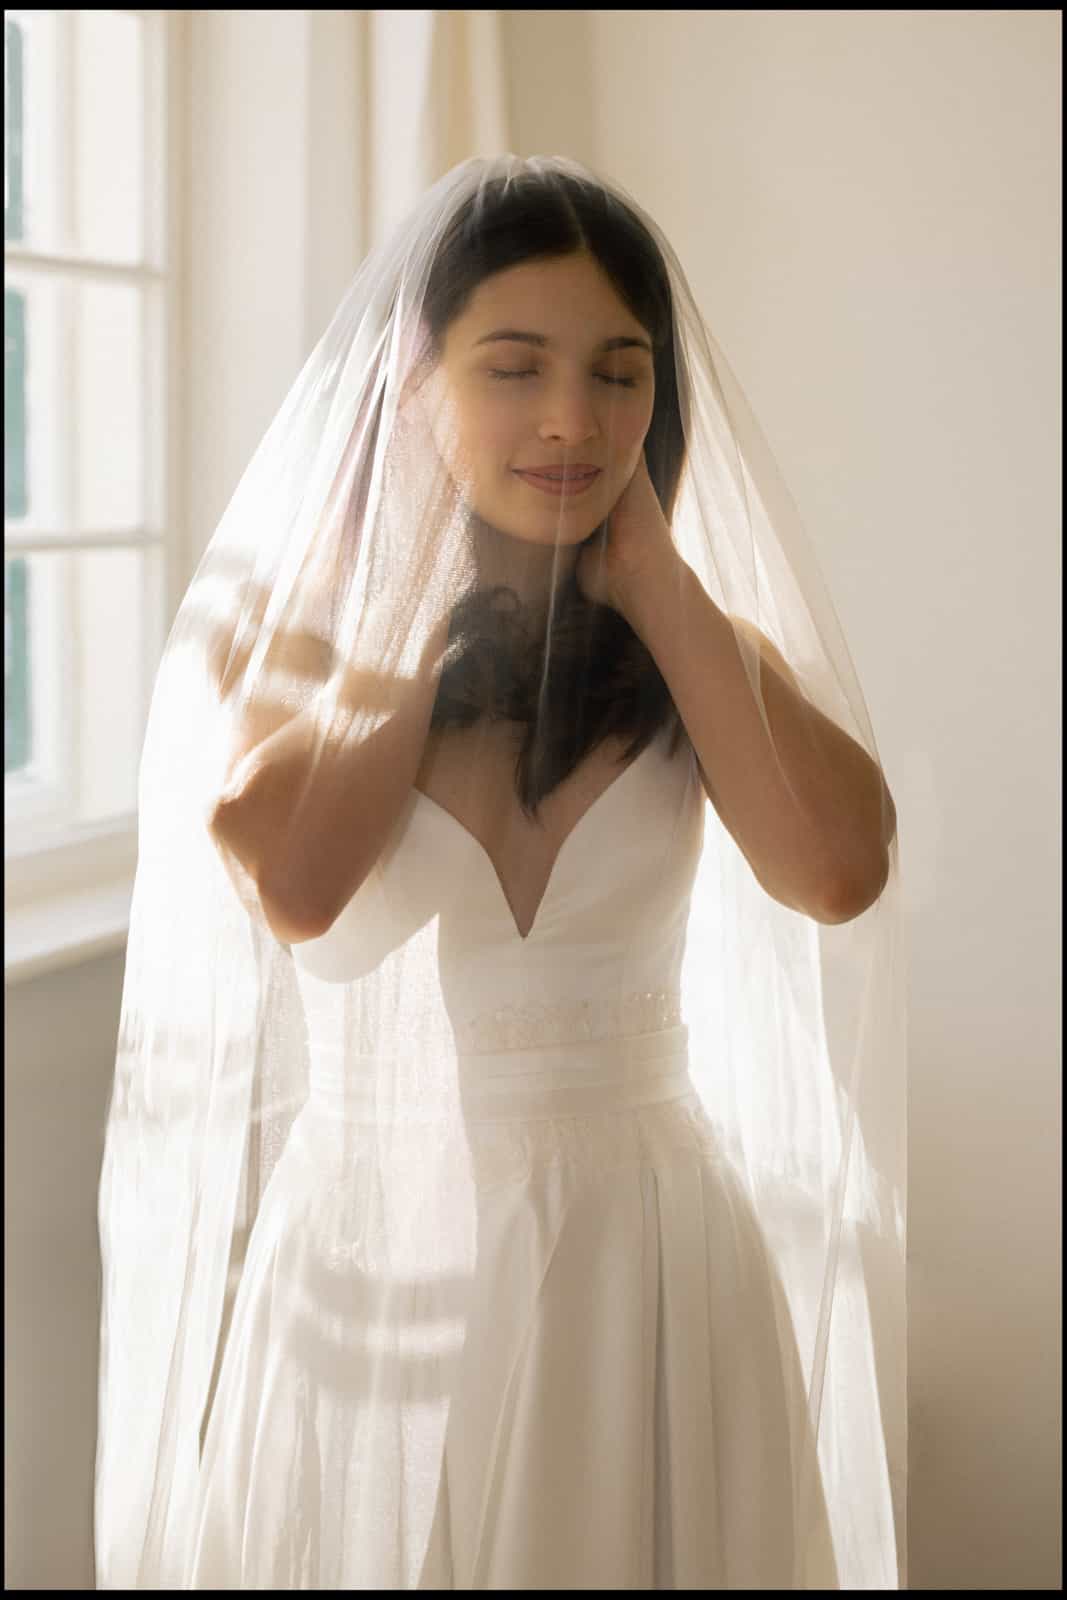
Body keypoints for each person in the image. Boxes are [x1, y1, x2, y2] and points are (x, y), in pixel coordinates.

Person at [95, 156, 907, 1589]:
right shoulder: (295, 646)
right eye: (514, 368)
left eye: (618, 374)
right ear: (413, 387)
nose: (572, 420)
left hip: (647, 1261)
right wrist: (418, 581)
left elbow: (840, 875)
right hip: (381, 1269)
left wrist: (650, 574)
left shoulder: (695, 655)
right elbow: (300, 888)